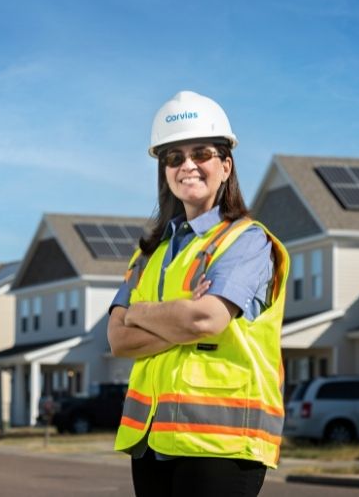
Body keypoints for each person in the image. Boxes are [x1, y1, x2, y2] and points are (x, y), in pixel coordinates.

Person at [107, 91, 290, 497]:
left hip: (222, 443)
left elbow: (206, 319)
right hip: (152, 441)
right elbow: (118, 340)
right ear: (164, 171)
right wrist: (178, 316)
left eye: (201, 153)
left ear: (225, 165)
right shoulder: (148, 253)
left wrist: (139, 312)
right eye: (174, 157)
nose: (187, 165)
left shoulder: (247, 242)